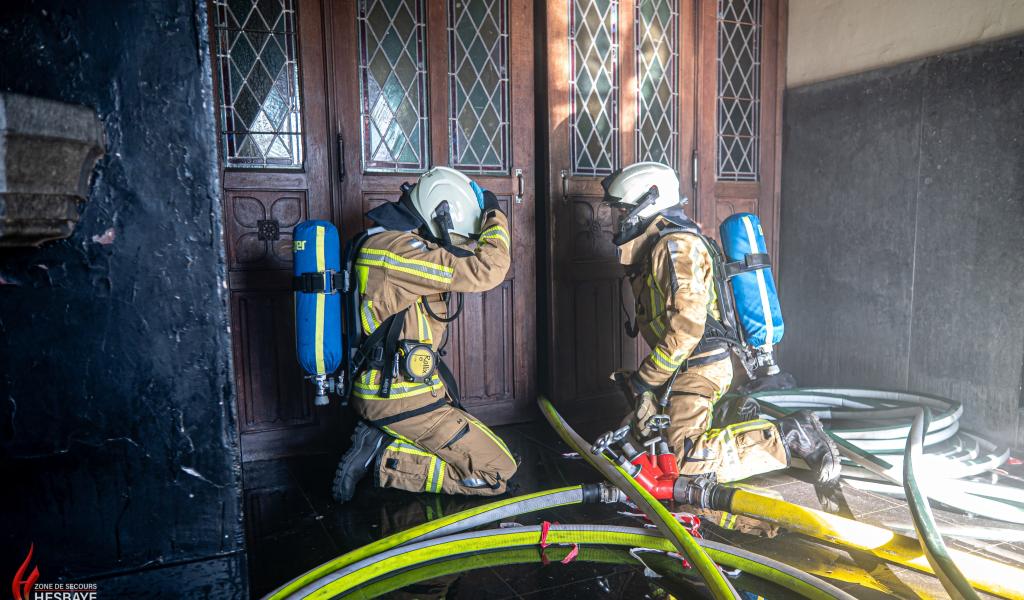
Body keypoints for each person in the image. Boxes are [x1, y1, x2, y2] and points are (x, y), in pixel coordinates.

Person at [601, 162, 840, 488]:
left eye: (623, 211)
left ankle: (791, 436)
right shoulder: (659, 245)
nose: (619, 219)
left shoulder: (675, 247)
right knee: (643, 437)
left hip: (703, 365)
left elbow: (687, 330)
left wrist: (645, 381)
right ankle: (732, 416)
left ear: (648, 204)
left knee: (682, 458)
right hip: (690, 362)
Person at [332, 167, 517, 502]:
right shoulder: (394, 249)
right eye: (460, 236)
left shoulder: (395, 243)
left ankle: (380, 438)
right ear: (439, 212)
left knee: (501, 456)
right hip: (398, 397)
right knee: (497, 473)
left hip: (410, 392)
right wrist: (494, 214)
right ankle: (385, 459)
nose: (459, 244)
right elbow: (487, 269)